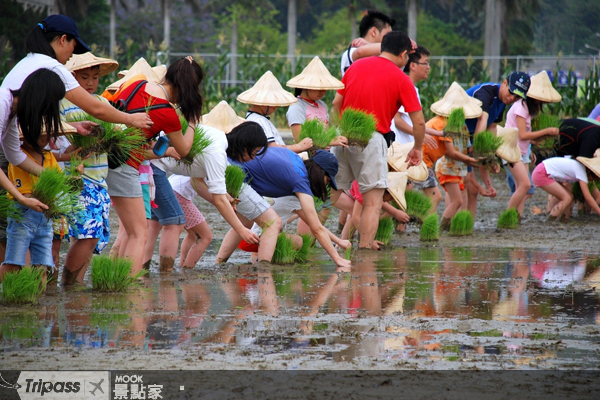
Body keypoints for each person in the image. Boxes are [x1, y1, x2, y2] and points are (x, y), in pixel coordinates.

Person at [0, 14, 152, 176]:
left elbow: (26, 131)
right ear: (63, 39)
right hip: (21, 150)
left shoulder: (28, 62)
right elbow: (95, 108)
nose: (72, 55)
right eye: (74, 46)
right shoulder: (52, 68)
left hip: (15, 148)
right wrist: (130, 118)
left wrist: (72, 127)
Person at [107, 57, 203, 275]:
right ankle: (128, 285)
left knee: (129, 232)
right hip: (126, 167)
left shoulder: (136, 83)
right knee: (139, 233)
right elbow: (185, 149)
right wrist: (192, 123)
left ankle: (116, 278)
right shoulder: (168, 113)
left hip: (104, 160)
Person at [332, 31, 424, 250]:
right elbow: (418, 122)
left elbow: (336, 103)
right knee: (372, 202)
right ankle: (365, 249)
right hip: (372, 140)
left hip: (343, 135)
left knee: (331, 194)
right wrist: (417, 148)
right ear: (403, 54)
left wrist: (339, 129)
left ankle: (314, 238)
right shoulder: (401, 78)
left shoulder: (355, 67)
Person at [147, 111, 267, 268]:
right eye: (254, 153)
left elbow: (201, 178)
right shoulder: (217, 153)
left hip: (149, 164)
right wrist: (242, 230)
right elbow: (218, 200)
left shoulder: (217, 139)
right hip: (154, 166)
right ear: (245, 146)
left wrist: (226, 196)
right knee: (174, 223)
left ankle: (141, 270)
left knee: (153, 225)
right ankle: (166, 275)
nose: (252, 158)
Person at [217, 147, 351, 268]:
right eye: (327, 180)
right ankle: (264, 268)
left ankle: (219, 262)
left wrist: (339, 241)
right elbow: (317, 228)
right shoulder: (299, 185)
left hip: (230, 170)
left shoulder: (294, 163)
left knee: (245, 220)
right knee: (286, 232)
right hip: (254, 237)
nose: (325, 185)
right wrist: (337, 259)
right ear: (321, 172)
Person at [0, 70, 69, 282]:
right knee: (14, 259)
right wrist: (20, 197)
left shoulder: (12, 114)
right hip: (23, 212)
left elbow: (15, 155)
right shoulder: (3, 103)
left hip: (40, 219)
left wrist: (52, 178)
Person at [58, 52, 119, 285]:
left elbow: (117, 135)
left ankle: (77, 284)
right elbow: (57, 142)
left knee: (92, 237)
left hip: (100, 179)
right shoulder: (62, 104)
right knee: (87, 235)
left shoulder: (103, 104)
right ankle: (68, 284)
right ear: (72, 77)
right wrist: (84, 145)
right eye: (84, 77)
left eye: (95, 77)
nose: (91, 82)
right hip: (78, 180)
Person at [285, 56, 352, 238]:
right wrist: (331, 141)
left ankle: (313, 240)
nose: (323, 91)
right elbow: (300, 141)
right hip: (311, 162)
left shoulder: (321, 105)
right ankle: (306, 241)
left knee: (325, 204)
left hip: (326, 162)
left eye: (325, 88)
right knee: (312, 204)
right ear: (306, 85)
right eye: (318, 87)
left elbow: (329, 133)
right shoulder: (296, 107)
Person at [464, 71, 531, 217]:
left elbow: (492, 127)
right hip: (455, 132)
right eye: (511, 92)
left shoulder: (503, 102)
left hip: (468, 134)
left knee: (471, 188)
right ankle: (451, 226)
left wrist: (492, 156)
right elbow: (483, 120)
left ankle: (465, 227)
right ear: (505, 83)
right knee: (461, 183)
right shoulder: (486, 92)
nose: (512, 98)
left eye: (517, 97)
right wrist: (480, 149)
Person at [503, 70, 561, 219]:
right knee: (525, 185)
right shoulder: (520, 107)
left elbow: (521, 135)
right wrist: (545, 131)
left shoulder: (527, 109)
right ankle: (506, 218)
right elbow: (522, 134)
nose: (539, 102)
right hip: (510, 150)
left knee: (523, 188)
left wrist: (530, 148)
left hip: (521, 152)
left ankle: (517, 218)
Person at [422, 82, 481, 227]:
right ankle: (431, 228)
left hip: (433, 164)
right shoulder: (444, 124)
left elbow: (468, 148)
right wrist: (471, 161)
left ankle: (437, 227)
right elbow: (451, 153)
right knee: (438, 197)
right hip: (423, 162)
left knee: (451, 199)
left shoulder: (461, 126)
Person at [237, 70, 312, 153]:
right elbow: (273, 148)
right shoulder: (258, 120)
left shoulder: (256, 118)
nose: (276, 107)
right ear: (263, 102)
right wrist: (299, 146)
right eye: (273, 103)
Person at [391, 46, 443, 145]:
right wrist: (419, 135)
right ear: (413, 66)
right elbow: (397, 119)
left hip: (406, 147)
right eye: (425, 63)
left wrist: (439, 133)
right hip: (400, 148)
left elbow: (416, 124)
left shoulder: (412, 89)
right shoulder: (404, 87)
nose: (428, 67)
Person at [531, 152, 600, 220]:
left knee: (570, 196)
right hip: (541, 173)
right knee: (567, 198)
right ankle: (549, 221)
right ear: (591, 173)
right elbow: (588, 197)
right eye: (594, 178)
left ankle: (560, 218)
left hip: (543, 170)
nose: (592, 180)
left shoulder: (579, 167)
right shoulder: (581, 172)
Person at [340, 10, 395, 77]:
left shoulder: (384, 53)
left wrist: (368, 44)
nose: (390, 39)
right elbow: (360, 52)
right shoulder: (352, 50)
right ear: (374, 32)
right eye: (387, 34)